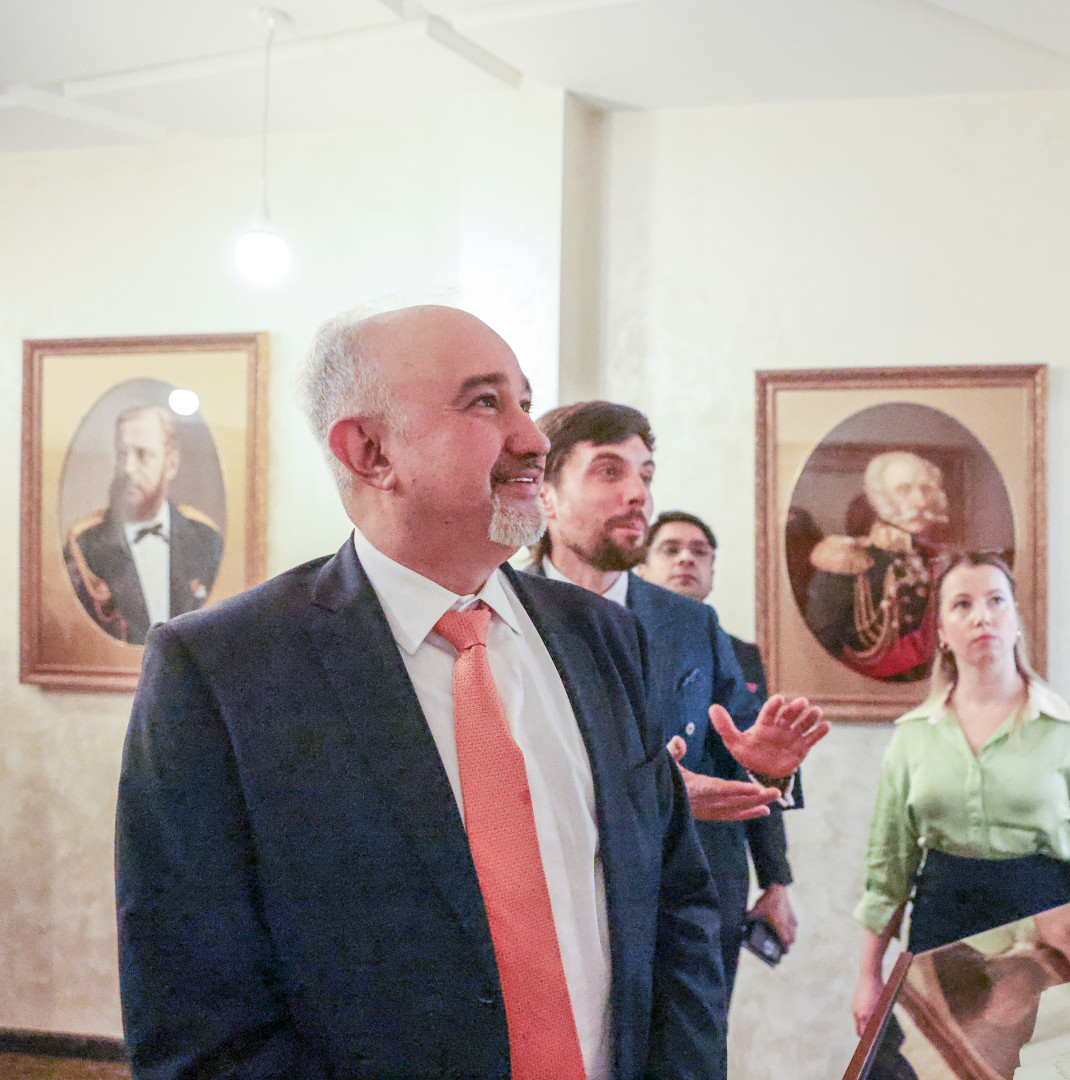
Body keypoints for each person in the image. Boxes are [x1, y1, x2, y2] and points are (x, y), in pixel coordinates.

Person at [116, 306, 820, 1080]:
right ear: (370, 450)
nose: (533, 437)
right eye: (486, 403)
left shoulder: (602, 637)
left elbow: (674, 899)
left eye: (524, 399)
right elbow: (197, 1013)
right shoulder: (224, 670)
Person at [528, 401, 827, 1004]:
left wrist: (766, 766)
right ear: (545, 494)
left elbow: (738, 750)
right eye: (610, 471)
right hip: (547, 912)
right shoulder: (494, 616)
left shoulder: (693, 625)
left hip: (685, 917)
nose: (638, 492)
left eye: (646, 474)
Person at [849, 552, 1070, 1036]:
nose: (982, 616)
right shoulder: (912, 738)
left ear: (1016, 619)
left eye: (996, 601)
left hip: (1048, 931)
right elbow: (887, 872)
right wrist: (868, 975)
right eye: (962, 604)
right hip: (941, 934)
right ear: (941, 631)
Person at [638, 509, 797, 959]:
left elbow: (755, 768)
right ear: (641, 567)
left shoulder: (740, 655)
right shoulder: (608, 636)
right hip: (636, 856)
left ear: (711, 571)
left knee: (709, 1015)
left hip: (717, 862)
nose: (686, 559)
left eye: (699, 552)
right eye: (670, 550)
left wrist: (775, 880)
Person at [64, 404, 223, 644]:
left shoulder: (205, 538)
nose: (128, 469)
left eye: (142, 455)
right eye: (121, 454)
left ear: (171, 464)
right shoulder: (84, 546)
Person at [802, 450, 952, 683]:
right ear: (880, 498)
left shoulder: (936, 559)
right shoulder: (846, 561)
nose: (920, 502)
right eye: (904, 490)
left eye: (925, 489)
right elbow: (824, 646)